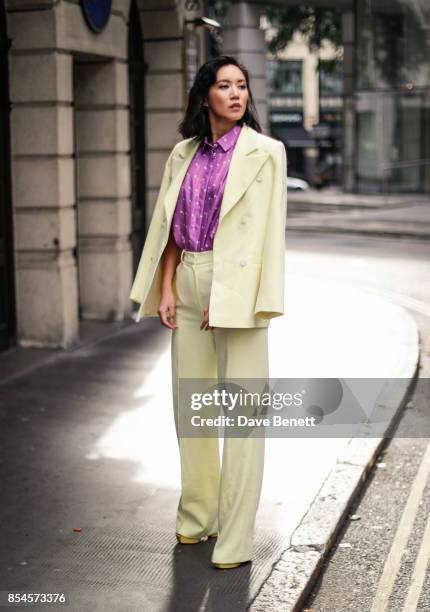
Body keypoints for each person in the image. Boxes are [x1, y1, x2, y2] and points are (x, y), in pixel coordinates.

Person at [129, 55, 287, 569]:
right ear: (205, 97)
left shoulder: (267, 152)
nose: (237, 93)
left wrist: (249, 298)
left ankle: (236, 538)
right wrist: (169, 286)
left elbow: (271, 238)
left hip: (237, 289)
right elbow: (171, 224)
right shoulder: (183, 153)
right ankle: (199, 517)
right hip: (191, 280)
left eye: (242, 85)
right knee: (191, 410)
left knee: (242, 417)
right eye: (224, 85)